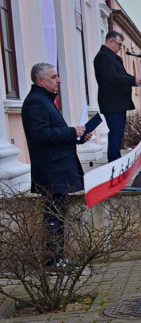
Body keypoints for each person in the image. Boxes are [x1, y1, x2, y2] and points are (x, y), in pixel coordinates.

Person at [20, 63, 89, 268]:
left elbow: (54, 133)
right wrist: (71, 132)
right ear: (41, 80)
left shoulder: (46, 100)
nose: (58, 80)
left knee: (58, 215)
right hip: (51, 171)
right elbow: (40, 135)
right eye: (53, 76)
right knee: (53, 216)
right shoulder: (36, 103)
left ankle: (57, 258)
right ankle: (53, 259)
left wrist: (78, 137)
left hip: (58, 168)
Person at [93, 31, 141, 162]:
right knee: (116, 132)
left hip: (118, 101)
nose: (120, 48)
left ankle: (116, 159)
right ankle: (114, 160)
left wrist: (135, 80)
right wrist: (132, 80)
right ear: (110, 41)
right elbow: (111, 77)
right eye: (119, 44)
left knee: (118, 132)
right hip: (112, 102)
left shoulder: (114, 57)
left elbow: (123, 75)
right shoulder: (103, 57)